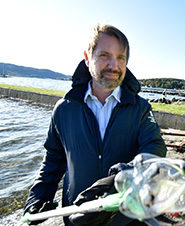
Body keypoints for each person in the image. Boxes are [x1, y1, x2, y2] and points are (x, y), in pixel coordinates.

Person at [23, 23, 167, 225]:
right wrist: (38, 197)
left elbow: (155, 147)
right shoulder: (64, 109)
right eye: (104, 55)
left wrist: (125, 174)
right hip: (78, 217)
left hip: (127, 217)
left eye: (120, 58)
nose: (114, 65)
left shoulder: (140, 108)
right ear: (87, 57)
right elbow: (53, 159)